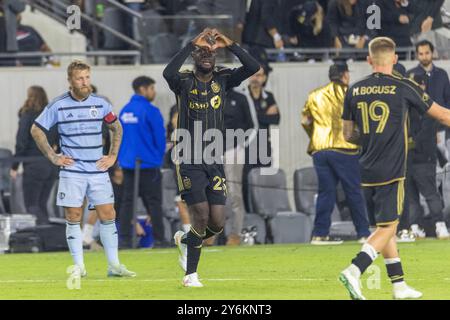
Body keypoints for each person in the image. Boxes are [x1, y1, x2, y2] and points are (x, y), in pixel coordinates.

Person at [339, 36, 450, 300]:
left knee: (383, 226)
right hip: (393, 169)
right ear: (395, 59)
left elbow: (347, 134)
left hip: (365, 168)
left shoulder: (354, 89)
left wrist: (370, 138)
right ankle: (355, 269)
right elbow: (443, 115)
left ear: (369, 60)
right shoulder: (403, 86)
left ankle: (399, 286)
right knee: (389, 228)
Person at [163, 28, 259, 287]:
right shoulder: (183, 81)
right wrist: (190, 43)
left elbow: (253, 66)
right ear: (194, 56)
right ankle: (190, 275)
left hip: (214, 159)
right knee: (201, 215)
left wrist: (230, 44)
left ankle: (186, 240)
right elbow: (167, 73)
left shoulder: (223, 79)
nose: (207, 56)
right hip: (189, 158)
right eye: (201, 52)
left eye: (210, 53)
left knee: (217, 221)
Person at [31, 60, 135, 280]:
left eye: (87, 77)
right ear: (70, 80)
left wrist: (113, 156)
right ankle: (79, 266)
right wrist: (53, 156)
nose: (85, 81)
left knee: (108, 214)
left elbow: (116, 128)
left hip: (98, 169)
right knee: (74, 215)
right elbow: (36, 129)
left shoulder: (101, 104)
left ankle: (114, 265)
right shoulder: (58, 105)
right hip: (72, 171)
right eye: (80, 78)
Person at [301, 62, 371, 245]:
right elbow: (361, 121)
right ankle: (363, 233)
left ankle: (319, 234)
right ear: (345, 75)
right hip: (345, 150)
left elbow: (305, 121)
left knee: (326, 192)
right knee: (354, 191)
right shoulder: (352, 93)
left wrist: (315, 137)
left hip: (320, 150)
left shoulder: (314, 95)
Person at [405, 40, 450, 239]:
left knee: (440, 181)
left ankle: (440, 222)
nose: (424, 56)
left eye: (426, 52)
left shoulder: (441, 75)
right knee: (421, 188)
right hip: (421, 147)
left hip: (440, 134)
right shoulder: (412, 76)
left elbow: (447, 102)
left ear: (432, 53)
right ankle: (424, 225)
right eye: (420, 53)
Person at [118, 76, 167, 248]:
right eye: (152, 89)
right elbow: (160, 138)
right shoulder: (150, 111)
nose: (153, 92)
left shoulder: (125, 111)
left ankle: (123, 239)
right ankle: (160, 239)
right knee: (154, 203)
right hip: (149, 164)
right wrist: (158, 157)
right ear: (143, 89)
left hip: (128, 164)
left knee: (127, 203)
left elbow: (119, 137)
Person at [10, 86, 58, 225]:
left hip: (34, 165)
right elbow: (60, 139)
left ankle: (44, 236)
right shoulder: (51, 116)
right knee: (42, 205)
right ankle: (48, 237)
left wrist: (14, 166)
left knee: (31, 205)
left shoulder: (28, 115)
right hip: (51, 166)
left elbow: (21, 143)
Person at [223, 80, 259, 246]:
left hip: (233, 150)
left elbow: (252, 126)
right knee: (211, 193)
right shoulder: (206, 97)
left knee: (234, 194)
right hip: (210, 150)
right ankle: (211, 233)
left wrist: (241, 145)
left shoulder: (240, 98)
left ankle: (235, 233)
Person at [242, 62, 280, 213]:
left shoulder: (268, 97)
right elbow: (242, 120)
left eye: (259, 75)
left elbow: (276, 119)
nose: (255, 78)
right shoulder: (242, 96)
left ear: (264, 78)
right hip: (246, 147)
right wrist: (264, 115)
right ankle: (249, 215)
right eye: (253, 74)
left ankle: (265, 215)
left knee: (264, 182)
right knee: (246, 183)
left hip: (264, 146)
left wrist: (255, 117)